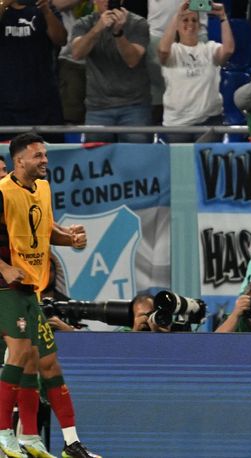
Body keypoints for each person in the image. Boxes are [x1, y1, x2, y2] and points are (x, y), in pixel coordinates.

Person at [0, 133, 100, 458]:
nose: (45, 160)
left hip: (32, 290)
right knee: (19, 354)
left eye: (45, 154)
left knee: (44, 362)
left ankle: (60, 441)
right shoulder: (2, 192)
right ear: (19, 160)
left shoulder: (42, 188)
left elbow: (45, 229)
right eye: (38, 155)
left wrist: (69, 239)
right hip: (7, 290)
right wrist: (4, 268)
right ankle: (4, 433)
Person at [72, 0, 151, 143]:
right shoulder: (84, 23)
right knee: (97, 155)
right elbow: (77, 54)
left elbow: (132, 60)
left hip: (134, 106)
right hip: (98, 107)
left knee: (137, 155)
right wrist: (98, 28)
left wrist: (118, 33)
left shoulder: (138, 23)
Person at [158, 1, 234, 143]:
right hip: (177, 124)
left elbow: (228, 50)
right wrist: (177, 14)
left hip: (209, 121)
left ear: (199, 26)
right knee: (182, 159)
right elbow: (163, 50)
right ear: (177, 25)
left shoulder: (210, 49)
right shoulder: (173, 50)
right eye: (185, 20)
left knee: (205, 158)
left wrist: (223, 17)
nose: (190, 23)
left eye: (194, 20)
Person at [0, 0, 66, 142]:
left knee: (47, 151)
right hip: (7, 103)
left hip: (44, 101)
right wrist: (3, 4)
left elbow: (61, 39)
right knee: (8, 152)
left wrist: (46, 11)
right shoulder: (2, 11)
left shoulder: (44, 8)